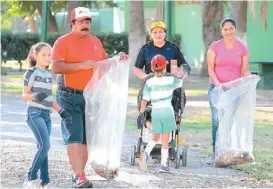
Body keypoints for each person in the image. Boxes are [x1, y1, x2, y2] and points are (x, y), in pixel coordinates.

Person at [51, 7, 127, 188]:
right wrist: (81, 66)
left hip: (91, 97)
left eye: (87, 22)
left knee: (86, 138)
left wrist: (116, 60)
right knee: (74, 135)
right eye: (81, 22)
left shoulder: (95, 42)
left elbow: (100, 66)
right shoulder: (63, 42)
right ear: (72, 24)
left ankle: (80, 174)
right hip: (68, 95)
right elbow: (56, 67)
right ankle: (78, 175)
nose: (85, 25)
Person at [22, 42, 71, 188]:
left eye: (49, 55)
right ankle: (29, 179)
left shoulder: (49, 75)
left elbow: (49, 98)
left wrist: (61, 111)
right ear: (35, 56)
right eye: (44, 55)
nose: (47, 57)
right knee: (45, 146)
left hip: (46, 115)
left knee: (43, 148)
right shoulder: (31, 72)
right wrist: (36, 97)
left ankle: (45, 182)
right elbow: (24, 95)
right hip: (34, 114)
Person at [207, 18, 251, 155]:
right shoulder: (214, 47)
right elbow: (210, 69)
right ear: (221, 31)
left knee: (229, 120)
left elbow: (244, 71)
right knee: (216, 120)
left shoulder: (242, 48)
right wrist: (218, 83)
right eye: (225, 29)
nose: (228, 32)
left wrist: (251, 78)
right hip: (216, 88)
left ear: (235, 30)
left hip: (234, 90)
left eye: (231, 28)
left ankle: (225, 151)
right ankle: (216, 151)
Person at [137, 55, 183, 172]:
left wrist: (141, 113)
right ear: (164, 67)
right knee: (165, 139)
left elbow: (145, 99)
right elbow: (180, 82)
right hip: (167, 111)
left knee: (156, 137)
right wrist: (176, 72)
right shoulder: (171, 80)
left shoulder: (149, 82)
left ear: (152, 69)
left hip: (156, 112)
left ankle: (146, 153)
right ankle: (163, 165)